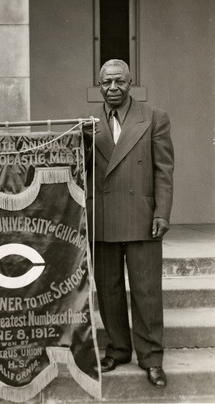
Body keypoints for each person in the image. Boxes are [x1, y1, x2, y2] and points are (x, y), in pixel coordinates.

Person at [85, 59, 174, 387]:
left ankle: (151, 357)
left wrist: (162, 212)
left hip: (141, 216)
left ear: (130, 82)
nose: (112, 88)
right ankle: (119, 349)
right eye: (106, 82)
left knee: (147, 290)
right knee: (107, 289)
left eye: (119, 82)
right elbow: (80, 168)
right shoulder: (88, 122)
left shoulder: (154, 117)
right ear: (99, 85)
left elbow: (164, 170)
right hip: (103, 216)